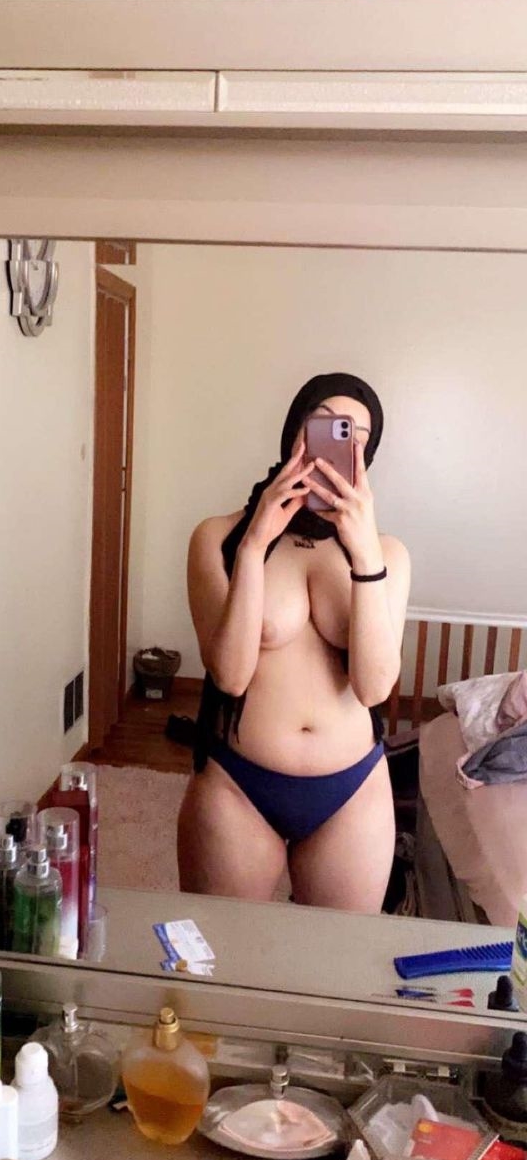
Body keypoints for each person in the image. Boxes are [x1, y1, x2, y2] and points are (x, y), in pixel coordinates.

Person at [177, 374, 411, 911]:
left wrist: (364, 556)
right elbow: (230, 674)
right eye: (325, 424)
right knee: (220, 948)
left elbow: (373, 688)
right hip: (237, 785)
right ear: (294, 431)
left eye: (356, 437)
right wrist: (255, 542)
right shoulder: (218, 537)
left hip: (352, 792)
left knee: (335, 954)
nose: (340, 446)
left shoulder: (388, 554)